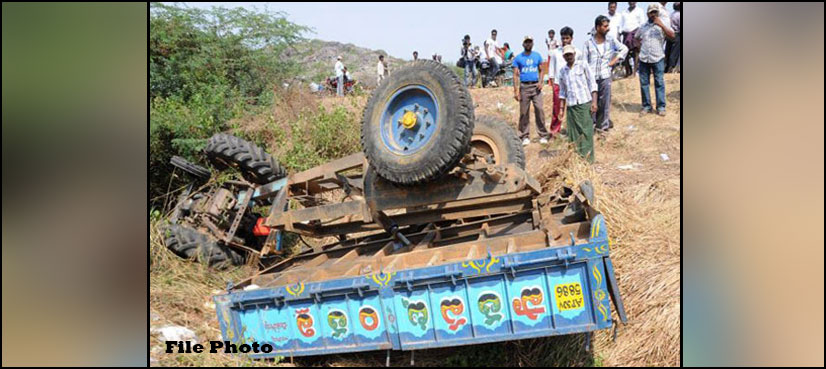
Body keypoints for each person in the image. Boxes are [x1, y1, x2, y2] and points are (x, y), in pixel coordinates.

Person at [585, 15, 628, 132]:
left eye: (607, 26)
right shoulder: (588, 43)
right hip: (592, 78)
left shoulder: (611, 40)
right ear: (598, 27)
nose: (607, 28)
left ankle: (603, 128)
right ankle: (591, 126)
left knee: (604, 103)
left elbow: (624, 49)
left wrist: (615, 60)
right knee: (591, 103)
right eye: (605, 26)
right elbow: (584, 62)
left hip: (605, 76)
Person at [558, 45, 598, 163]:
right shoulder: (562, 71)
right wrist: (561, 109)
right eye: (566, 55)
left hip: (584, 103)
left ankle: (588, 160)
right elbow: (562, 92)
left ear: (574, 54)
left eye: (570, 54)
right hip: (571, 106)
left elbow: (592, 83)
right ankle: (577, 160)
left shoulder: (583, 65)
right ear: (563, 57)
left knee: (586, 132)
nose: (569, 57)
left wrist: (594, 102)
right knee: (573, 134)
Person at [636, 3, 675, 116]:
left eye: (655, 12)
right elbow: (636, 37)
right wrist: (640, 47)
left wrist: (661, 25)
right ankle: (646, 106)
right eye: (651, 12)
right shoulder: (643, 26)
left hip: (658, 58)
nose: (653, 14)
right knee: (644, 83)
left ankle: (661, 107)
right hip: (644, 58)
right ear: (647, 14)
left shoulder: (663, 23)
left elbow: (672, 36)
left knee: (659, 83)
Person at [512, 35, 550, 146]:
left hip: (535, 87)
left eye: (530, 42)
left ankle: (543, 135)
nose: (528, 44)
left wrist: (541, 82)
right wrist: (516, 91)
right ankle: (524, 135)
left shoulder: (537, 56)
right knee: (524, 112)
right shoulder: (518, 58)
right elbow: (515, 75)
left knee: (539, 109)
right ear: (523, 44)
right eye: (526, 42)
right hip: (524, 87)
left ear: (532, 44)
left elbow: (541, 70)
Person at [548, 27, 582, 137]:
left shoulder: (578, 52)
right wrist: (553, 84)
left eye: (567, 38)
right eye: (563, 38)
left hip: (573, 84)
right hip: (559, 84)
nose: (565, 41)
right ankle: (555, 131)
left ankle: (574, 131)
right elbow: (551, 70)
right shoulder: (555, 53)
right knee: (557, 108)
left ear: (572, 38)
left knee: (574, 108)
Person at [620, 2, 646, 76]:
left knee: (636, 52)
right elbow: (621, 25)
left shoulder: (639, 11)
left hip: (635, 33)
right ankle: (628, 71)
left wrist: (640, 36)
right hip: (626, 34)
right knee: (625, 53)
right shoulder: (624, 12)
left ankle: (635, 72)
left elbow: (642, 24)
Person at [667, 2, 681, 73]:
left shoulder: (671, 14)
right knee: (675, 52)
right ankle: (672, 67)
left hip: (669, 34)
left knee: (668, 51)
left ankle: (667, 67)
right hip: (677, 34)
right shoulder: (679, 15)